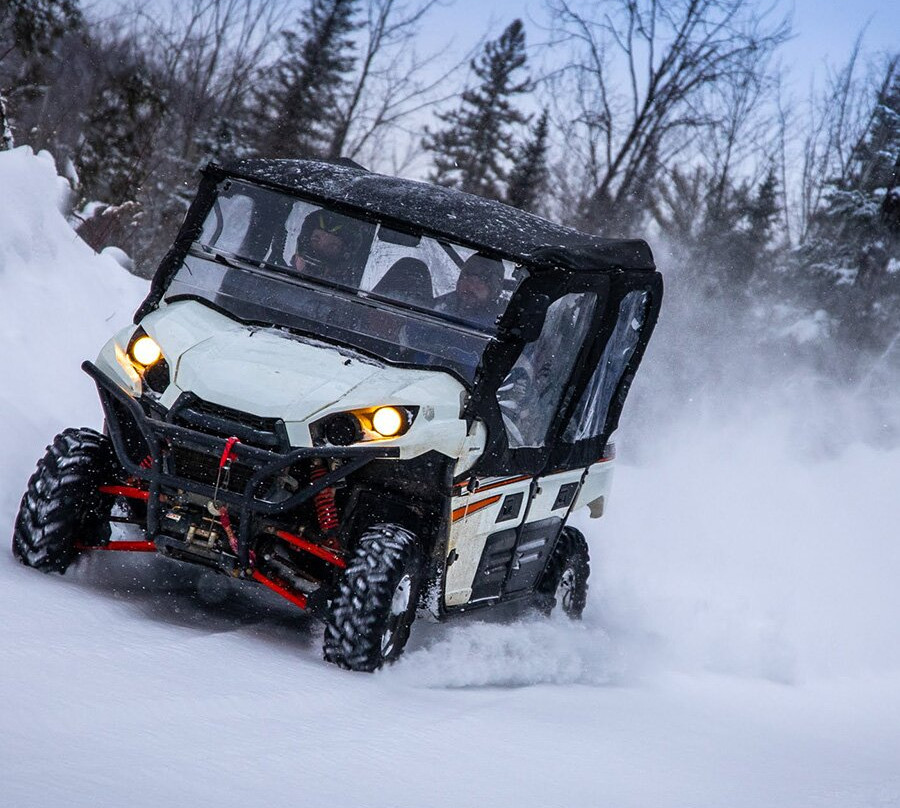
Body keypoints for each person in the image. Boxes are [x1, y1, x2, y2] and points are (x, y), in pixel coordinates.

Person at [290, 209, 366, 287]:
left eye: (332, 247)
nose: (321, 249)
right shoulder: (278, 276)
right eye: (315, 240)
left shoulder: (350, 294)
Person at [436, 252, 504, 328]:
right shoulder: (436, 308)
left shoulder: (501, 325)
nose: (471, 287)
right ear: (459, 281)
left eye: (480, 282)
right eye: (467, 279)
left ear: (493, 290)